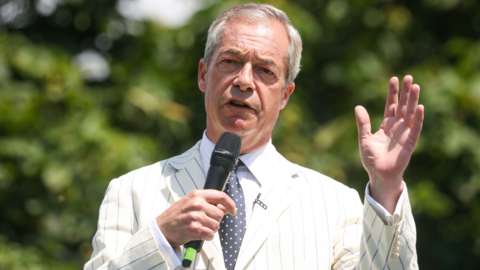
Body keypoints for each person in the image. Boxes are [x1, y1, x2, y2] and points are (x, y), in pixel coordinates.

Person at [85, 3, 423, 270]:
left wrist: (386, 185)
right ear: (204, 74)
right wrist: (161, 237)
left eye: (265, 71)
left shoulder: (336, 203)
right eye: (230, 62)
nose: (244, 81)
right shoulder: (131, 191)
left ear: (285, 95)